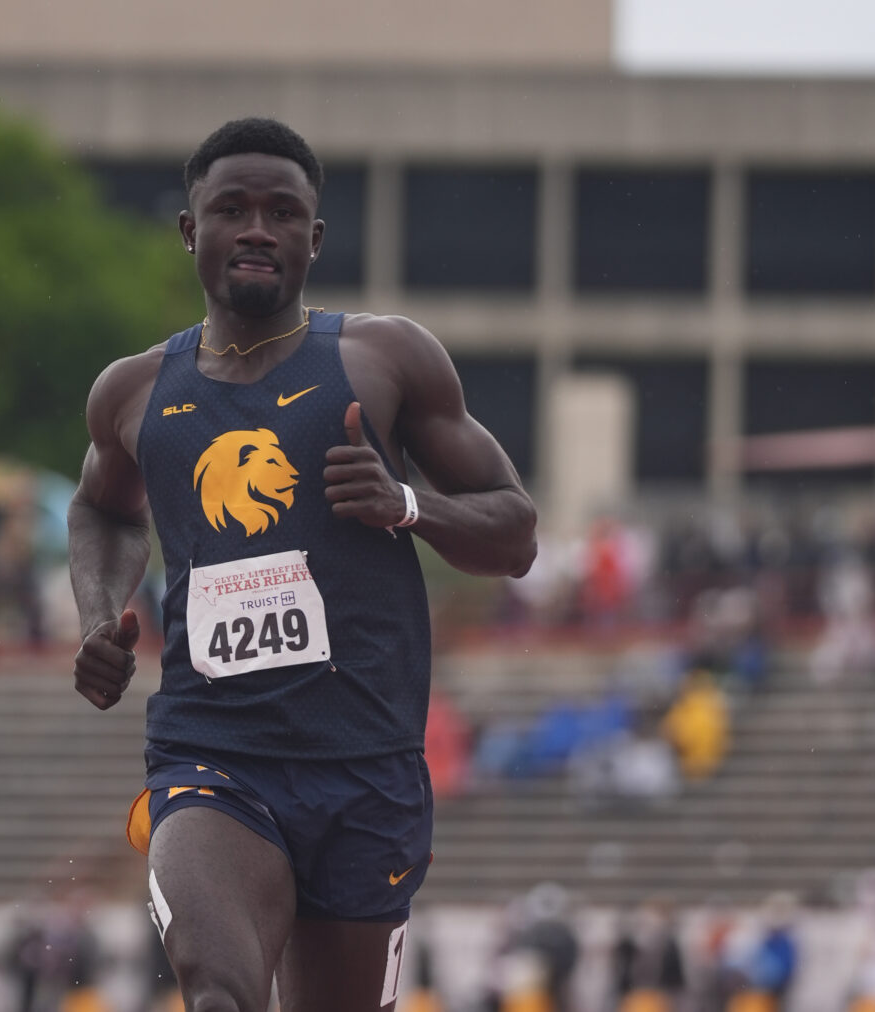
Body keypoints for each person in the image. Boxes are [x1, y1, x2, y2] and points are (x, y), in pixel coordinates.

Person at [69, 117, 537, 1012]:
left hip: (366, 766)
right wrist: (99, 613)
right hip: (213, 754)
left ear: (313, 239)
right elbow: (99, 508)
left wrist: (407, 504)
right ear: (189, 229)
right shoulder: (133, 392)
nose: (257, 228)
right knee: (219, 992)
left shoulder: (385, 360)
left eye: (282, 212)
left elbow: (516, 533)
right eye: (232, 208)